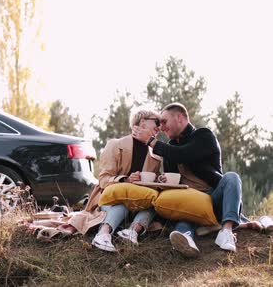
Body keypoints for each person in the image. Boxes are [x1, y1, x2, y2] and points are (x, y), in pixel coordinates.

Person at [133, 102, 241, 257]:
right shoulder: (170, 147)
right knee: (184, 218)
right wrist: (165, 180)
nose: (162, 128)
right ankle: (186, 240)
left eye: (164, 122)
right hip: (190, 203)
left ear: (179, 117)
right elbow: (174, 181)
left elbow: (184, 154)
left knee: (232, 177)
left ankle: (226, 231)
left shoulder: (204, 135)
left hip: (214, 198)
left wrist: (151, 141)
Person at [90, 109, 163, 252]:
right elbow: (103, 180)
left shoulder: (155, 157)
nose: (159, 128)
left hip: (137, 203)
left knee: (155, 202)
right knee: (121, 204)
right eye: (156, 123)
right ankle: (102, 235)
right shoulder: (115, 145)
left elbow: (152, 186)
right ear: (142, 122)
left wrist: (159, 179)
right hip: (110, 199)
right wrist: (125, 180)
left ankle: (132, 232)